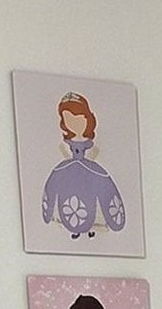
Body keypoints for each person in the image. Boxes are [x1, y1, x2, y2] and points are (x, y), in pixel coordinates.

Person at [42, 91, 128, 240]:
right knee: (67, 195)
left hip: (89, 170)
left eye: (77, 118)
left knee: (91, 195)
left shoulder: (89, 145)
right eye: (68, 119)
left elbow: (94, 152)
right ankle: (74, 227)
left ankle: (91, 226)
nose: (73, 123)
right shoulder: (67, 144)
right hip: (70, 170)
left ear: (86, 119)